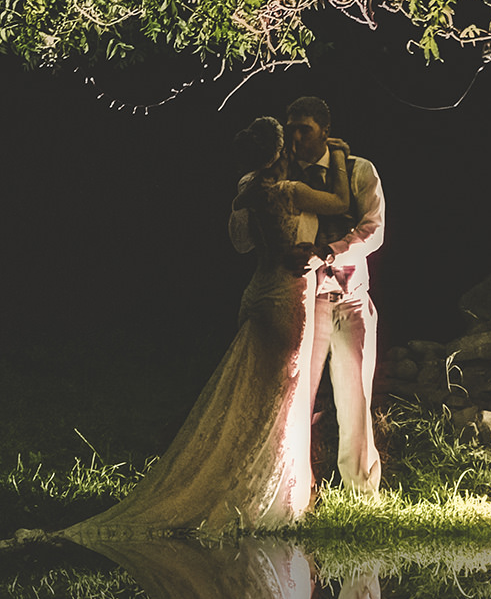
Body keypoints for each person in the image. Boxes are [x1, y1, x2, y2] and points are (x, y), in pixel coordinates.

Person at [67, 117, 352, 536]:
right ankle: (268, 498)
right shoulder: (290, 193)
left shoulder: (249, 190)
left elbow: (246, 242)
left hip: (256, 293)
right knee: (282, 397)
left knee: (250, 396)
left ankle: (243, 485)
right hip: (286, 299)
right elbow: (342, 202)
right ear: (280, 152)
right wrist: (341, 156)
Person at [229, 96, 385, 496]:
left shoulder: (356, 170)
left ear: (325, 132)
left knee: (357, 397)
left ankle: (362, 492)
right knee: (296, 398)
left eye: (305, 129)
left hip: (352, 295)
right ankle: (294, 488)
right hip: (306, 300)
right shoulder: (283, 176)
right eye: (291, 127)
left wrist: (327, 252)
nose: (296, 136)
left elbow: (373, 229)